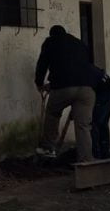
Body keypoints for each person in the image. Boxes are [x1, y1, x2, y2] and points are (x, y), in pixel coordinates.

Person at [34, 25, 96, 162]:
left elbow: (42, 63)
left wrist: (39, 83)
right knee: (83, 126)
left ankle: (48, 149)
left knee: (52, 114)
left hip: (63, 88)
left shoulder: (50, 42)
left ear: (52, 34)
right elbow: (88, 65)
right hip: (87, 89)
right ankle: (86, 160)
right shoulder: (80, 43)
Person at [90, 66, 110, 160]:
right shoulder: (90, 68)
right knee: (102, 123)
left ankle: (97, 153)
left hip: (105, 94)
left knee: (95, 123)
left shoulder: (83, 70)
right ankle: (104, 151)